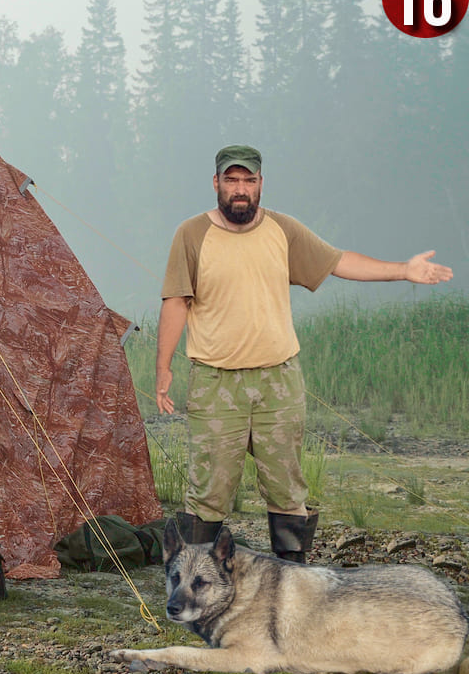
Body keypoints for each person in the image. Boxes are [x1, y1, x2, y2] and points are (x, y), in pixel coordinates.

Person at [156, 145, 453, 562]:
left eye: (249, 180)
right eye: (231, 180)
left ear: (261, 184)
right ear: (215, 183)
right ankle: (195, 586)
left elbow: (337, 261)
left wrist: (402, 270)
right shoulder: (191, 234)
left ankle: (291, 581)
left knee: (286, 486)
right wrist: (163, 367)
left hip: (279, 380)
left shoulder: (283, 230)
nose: (240, 190)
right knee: (208, 489)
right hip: (215, 381)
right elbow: (176, 301)